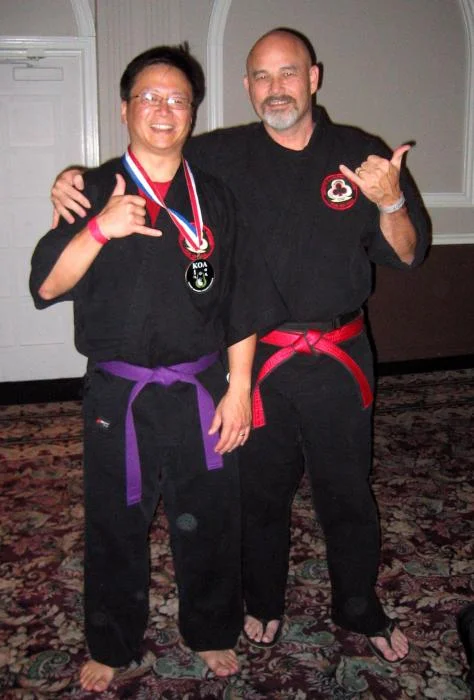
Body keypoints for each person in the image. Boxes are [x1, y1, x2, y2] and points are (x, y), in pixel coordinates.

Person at [49, 28, 430, 665]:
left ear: (314, 77)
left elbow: (409, 253)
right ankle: (262, 602)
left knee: (348, 491)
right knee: (257, 493)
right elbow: (147, 152)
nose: (274, 88)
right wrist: (73, 181)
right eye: (260, 76)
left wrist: (390, 200)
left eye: (288, 74)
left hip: (340, 356)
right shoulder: (218, 154)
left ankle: (359, 605)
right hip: (256, 356)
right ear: (247, 87)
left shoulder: (360, 153)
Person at [30, 43, 285, 692]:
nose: (164, 109)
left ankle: (210, 630)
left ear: (193, 114)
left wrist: (238, 390)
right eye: (149, 96)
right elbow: (46, 285)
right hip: (120, 396)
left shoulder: (216, 199)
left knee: (211, 518)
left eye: (178, 99)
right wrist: (98, 230)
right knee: (115, 525)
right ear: (124, 110)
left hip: (202, 388)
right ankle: (112, 642)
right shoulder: (89, 189)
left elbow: (243, 302)